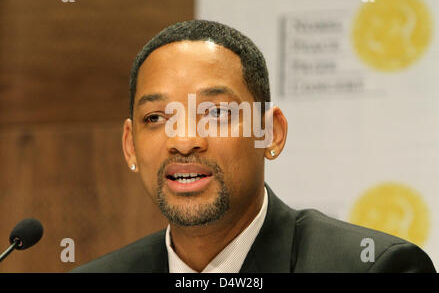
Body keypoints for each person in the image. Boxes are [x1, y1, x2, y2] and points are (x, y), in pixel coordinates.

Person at [71, 20, 436, 273]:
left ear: (271, 132)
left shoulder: (374, 267)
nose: (183, 140)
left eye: (215, 112)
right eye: (156, 118)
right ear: (130, 147)